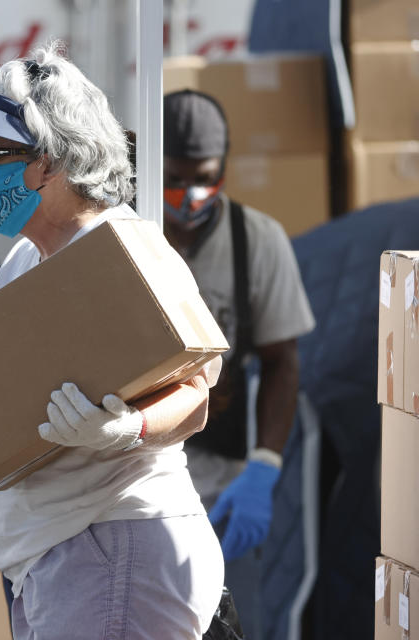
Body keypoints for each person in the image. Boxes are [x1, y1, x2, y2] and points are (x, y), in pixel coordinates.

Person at [0, 42, 226, 639]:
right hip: (62, 555)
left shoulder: (122, 249)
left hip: (112, 545)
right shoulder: (28, 259)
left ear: (49, 163)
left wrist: (128, 429)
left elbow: (196, 389)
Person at [160, 89, 315, 637]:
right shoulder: (126, 239)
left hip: (223, 490)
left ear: (223, 167)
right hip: (137, 481)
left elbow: (281, 362)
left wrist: (265, 466)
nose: (191, 195)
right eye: (175, 179)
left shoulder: (258, 242)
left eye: (205, 177)